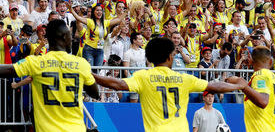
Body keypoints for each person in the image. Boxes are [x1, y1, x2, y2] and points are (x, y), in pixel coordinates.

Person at [0, 19, 99, 131]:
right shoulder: (81, 64)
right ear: (64, 37)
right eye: (70, 35)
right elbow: (95, 93)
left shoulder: (35, 62)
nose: (73, 38)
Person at [93, 37, 245, 131]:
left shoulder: (143, 77)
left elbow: (117, 84)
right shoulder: (184, 78)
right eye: (173, 55)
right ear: (168, 57)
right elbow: (214, 86)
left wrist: (92, 75)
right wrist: (239, 86)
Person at [227, 46, 275, 132]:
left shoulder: (260, 76)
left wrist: (242, 85)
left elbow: (263, 101)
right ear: (271, 62)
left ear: (251, 61)